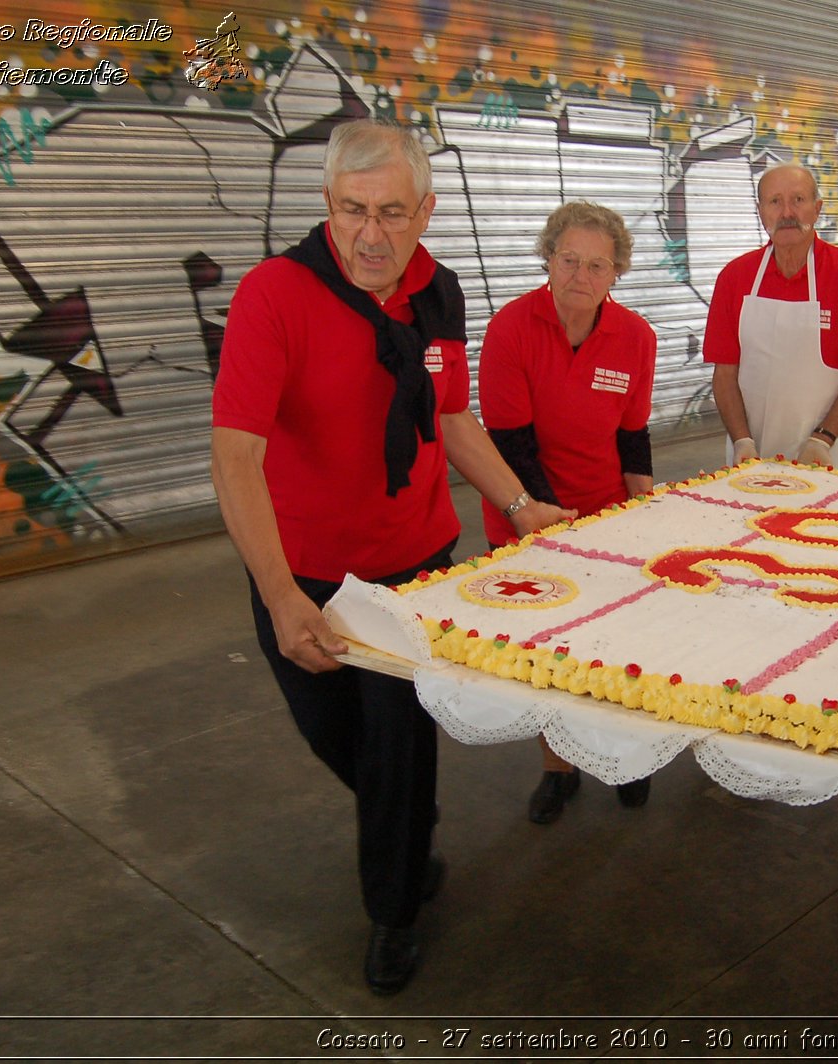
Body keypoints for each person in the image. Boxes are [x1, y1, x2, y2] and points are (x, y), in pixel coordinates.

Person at [210, 119, 572, 997]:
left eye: (393, 213)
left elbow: (449, 419)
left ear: (425, 211)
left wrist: (522, 505)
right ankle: (406, 832)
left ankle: (394, 912)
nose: (371, 234)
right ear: (328, 205)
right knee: (340, 739)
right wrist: (282, 594)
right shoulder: (275, 295)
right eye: (352, 210)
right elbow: (235, 455)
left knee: (398, 749)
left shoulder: (439, 295)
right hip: (304, 574)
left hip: (414, 566)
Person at [478, 201, 658, 824]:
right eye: (570, 260)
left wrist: (647, 513)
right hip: (525, 513)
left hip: (607, 516)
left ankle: (626, 756)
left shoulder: (636, 338)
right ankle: (559, 767)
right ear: (548, 260)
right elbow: (510, 442)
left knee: (619, 643)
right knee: (548, 650)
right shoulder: (511, 329)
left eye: (597, 264)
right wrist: (548, 522)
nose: (582, 275)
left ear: (616, 273)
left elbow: (632, 438)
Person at [703, 163, 838, 467]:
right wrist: (742, 440)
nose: (787, 212)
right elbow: (724, 374)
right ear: (761, 212)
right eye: (775, 202)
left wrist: (822, 438)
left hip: (826, 453)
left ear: (817, 208)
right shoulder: (735, 277)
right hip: (750, 455)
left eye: (798, 200)